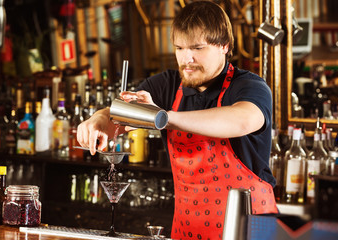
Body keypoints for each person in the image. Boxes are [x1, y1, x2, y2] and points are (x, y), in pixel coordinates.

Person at [77, 1, 278, 239]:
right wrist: (99, 119)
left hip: (250, 229)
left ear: (224, 46)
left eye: (197, 48)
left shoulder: (249, 86)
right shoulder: (166, 85)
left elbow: (243, 120)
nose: (187, 58)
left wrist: (164, 118)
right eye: (180, 48)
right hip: (187, 229)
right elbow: (121, 115)